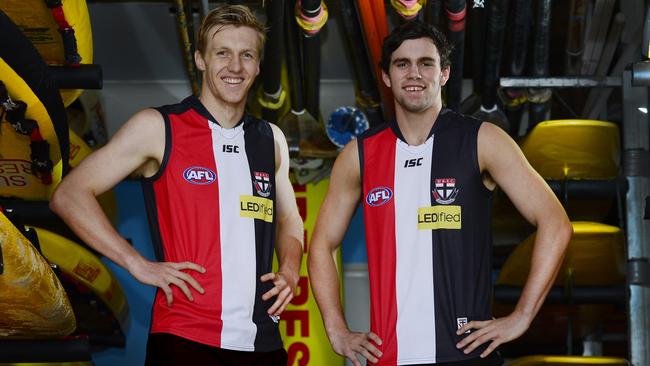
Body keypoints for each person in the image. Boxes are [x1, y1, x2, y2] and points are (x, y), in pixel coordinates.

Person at [308, 20, 572, 366]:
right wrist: (337, 330)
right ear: (387, 76)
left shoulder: (483, 140)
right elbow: (320, 245)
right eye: (402, 64)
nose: (414, 73)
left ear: (444, 73)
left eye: (426, 63)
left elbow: (555, 222)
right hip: (389, 358)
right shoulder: (359, 154)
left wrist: (521, 317)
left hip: (466, 355)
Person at [50, 5, 303, 365]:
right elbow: (69, 195)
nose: (235, 66)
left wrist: (290, 270)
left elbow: (290, 220)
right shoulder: (159, 127)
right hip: (185, 336)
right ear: (200, 59)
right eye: (223, 53)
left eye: (247, 55)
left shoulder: (271, 140)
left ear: (258, 66)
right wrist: (138, 265)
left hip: (262, 342)